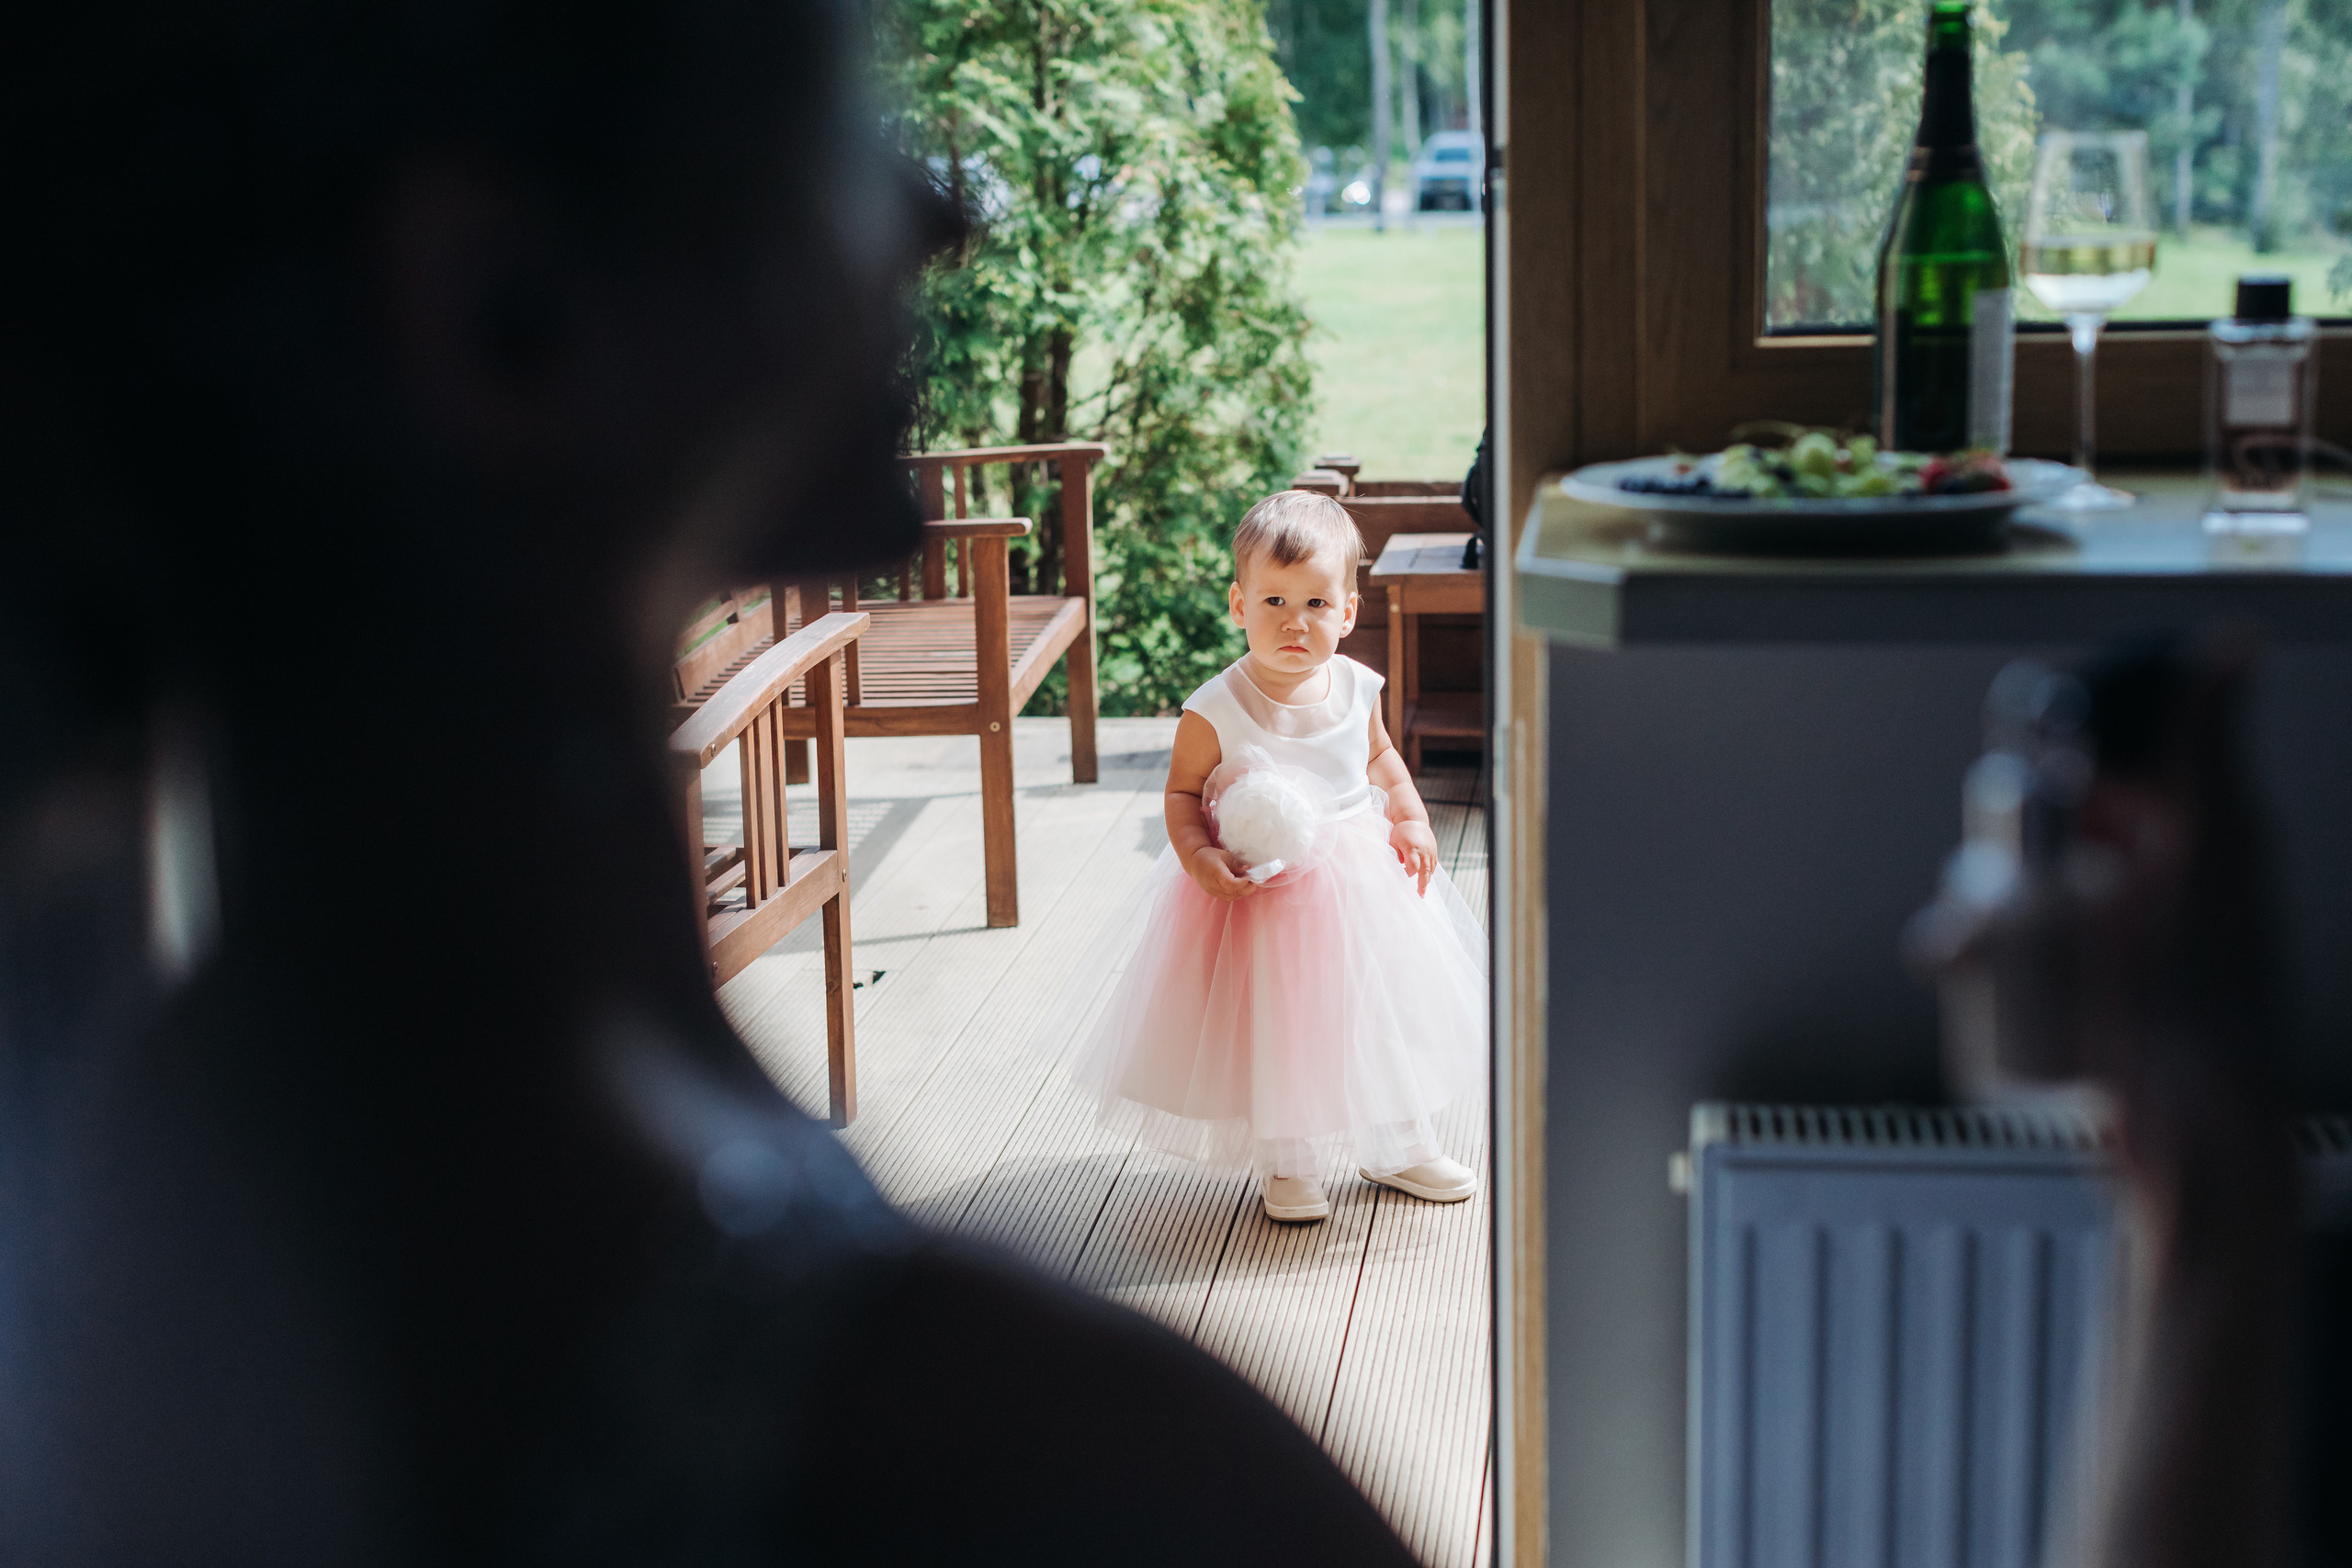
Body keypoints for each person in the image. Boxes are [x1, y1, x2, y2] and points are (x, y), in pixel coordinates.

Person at [0, 4, 1422, 1561]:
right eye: (822, 135)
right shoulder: (1052, 1467)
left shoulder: (152, 1170)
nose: (934, 219)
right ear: (500, 306)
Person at [1071, 491, 1487, 1223]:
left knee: (1380, 1010)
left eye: (1317, 604)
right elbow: (1182, 793)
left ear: (1348, 612)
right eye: (1274, 601)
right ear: (1239, 605)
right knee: (1278, 1022)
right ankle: (1288, 1155)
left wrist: (1411, 818)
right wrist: (1199, 854)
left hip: (1362, 889)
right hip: (1262, 896)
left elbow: (1381, 760)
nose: (1296, 622)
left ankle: (1398, 1140)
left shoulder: (1356, 687)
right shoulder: (1216, 706)